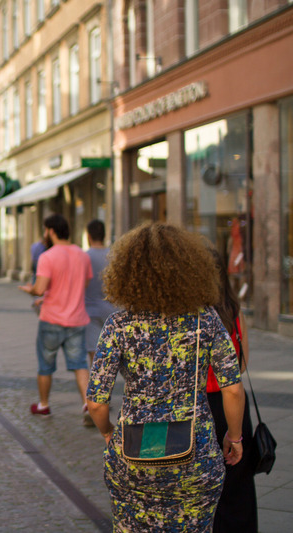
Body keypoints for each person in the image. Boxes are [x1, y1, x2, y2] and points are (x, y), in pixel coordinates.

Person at [85, 222, 245, 532]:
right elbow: (233, 389)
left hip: (133, 452)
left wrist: (108, 433)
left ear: (127, 274)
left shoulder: (118, 325)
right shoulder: (205, 320)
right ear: (191, 271)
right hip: (195, 453)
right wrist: (234, 437)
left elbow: (96, 402)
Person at [19, 214, 92, 422]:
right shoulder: (82, 255)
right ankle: (88, 405)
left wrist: (30, 290)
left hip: (52, 319)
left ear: (51, 231)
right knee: (80, 364)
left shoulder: (47, 257)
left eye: (45, 230)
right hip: (77, 319)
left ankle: (43, 405)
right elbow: (83, 285)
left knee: (45, 365)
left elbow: (40, 288)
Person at [207, 249, 257, 532]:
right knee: (238, 483)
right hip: (234, 403)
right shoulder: (234, 311)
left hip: (204, 405)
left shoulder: (194, 316)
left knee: (205, 483)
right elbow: (242, 363)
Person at [83, 220, 116, 370]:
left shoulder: (85, 257)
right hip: (113, 310)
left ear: (88, 236)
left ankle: (98, 381)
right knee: (116, 352)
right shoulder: (113, 255)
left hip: (90, 311)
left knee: (95, 355)